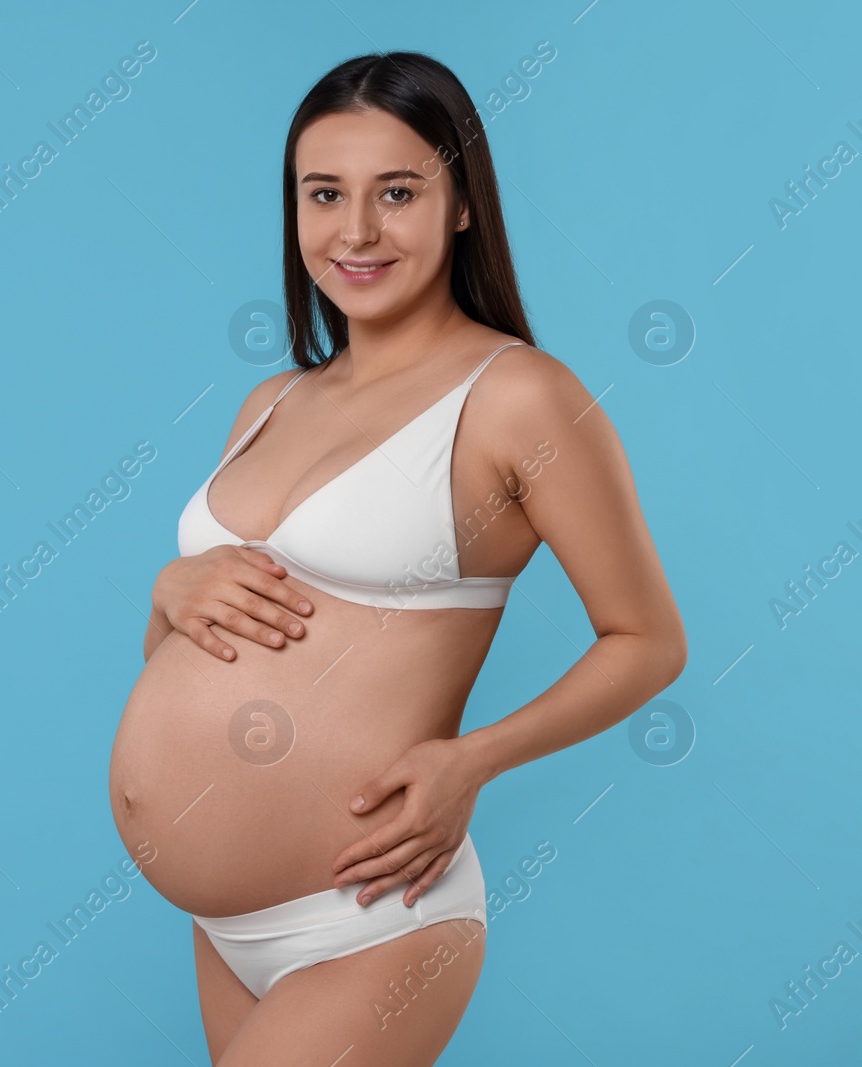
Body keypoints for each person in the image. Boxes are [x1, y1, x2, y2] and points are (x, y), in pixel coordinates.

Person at [108, 51, 687, 1065]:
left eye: (398, 192)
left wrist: (472, 758)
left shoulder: (519, 398)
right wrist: (170, 588)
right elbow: (189, 643)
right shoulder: (271, 402)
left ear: (461, 204)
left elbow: (648, 640)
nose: (356, 231)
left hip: (369, 917)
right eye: (324, 193)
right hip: (220, 926)